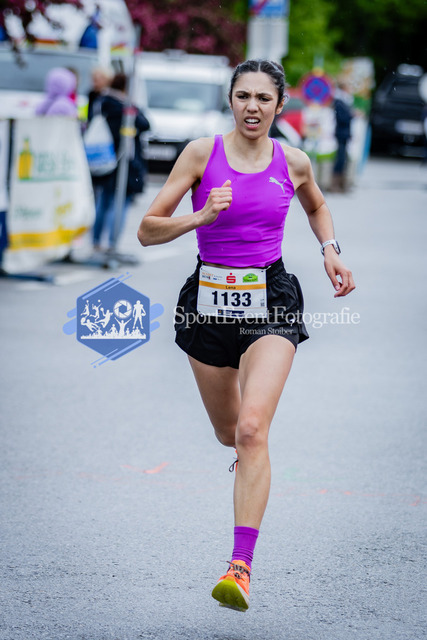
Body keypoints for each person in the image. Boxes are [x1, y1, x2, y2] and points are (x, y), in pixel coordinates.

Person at [137, 59, 355, 612]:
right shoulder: (199, 154)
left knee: (253, 430)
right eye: (242, 96)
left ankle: (240, 567)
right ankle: (245, 460)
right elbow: (147, 230)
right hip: (206, 303)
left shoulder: (294, 161)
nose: (252, 107)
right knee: (230, 433)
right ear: (230, 100)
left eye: (263, 97)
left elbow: (316, 204)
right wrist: (199, 217)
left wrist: (330, 250)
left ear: (280, 105)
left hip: (270, 299)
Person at [92, 72, 150, 252]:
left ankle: (95, 241)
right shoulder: (124, 106)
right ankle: (112, 244)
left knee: (103, 201)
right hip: (124, 161)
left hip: (103, 159)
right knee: (120, 203)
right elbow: (145, 124)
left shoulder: (101, 102)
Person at [330, 80, 354, 192]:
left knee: (343, 158)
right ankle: (336, 184)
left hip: (343, 134)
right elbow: (341, 118)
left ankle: (341, 183)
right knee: (340, 158)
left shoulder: (344, 101)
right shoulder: (340, 102)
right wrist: (351, 115)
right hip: (341, 134)